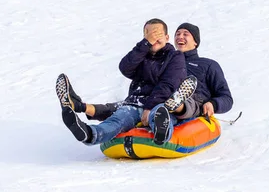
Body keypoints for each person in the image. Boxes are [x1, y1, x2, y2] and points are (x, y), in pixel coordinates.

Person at [56, 19, 190, 146]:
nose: (154, 39)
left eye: (158, 34)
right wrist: (144, 45)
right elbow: (125, 68)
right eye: (150, 35)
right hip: (136, 103)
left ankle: (162, 133)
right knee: (119, 117)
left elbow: (168, 84)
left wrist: (149, 107)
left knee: (158, 114)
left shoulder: (175, 56)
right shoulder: (142, 56)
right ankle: (90, 133)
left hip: (161, 104)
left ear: (167, 38)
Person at [168, 23, 234, 120]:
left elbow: (226, 98)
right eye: (177, 34)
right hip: (165, 100)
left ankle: (177, 103)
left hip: (194, 105)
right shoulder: (167, 63)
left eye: (185, 34)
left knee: (185, 102)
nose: (180, 37)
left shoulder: (207, 65)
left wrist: (213, 104)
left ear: (195, 41)